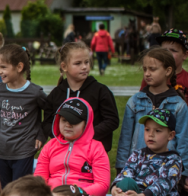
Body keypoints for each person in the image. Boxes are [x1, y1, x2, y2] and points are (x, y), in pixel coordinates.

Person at [116, 48, 188, 177]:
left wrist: (183, 173)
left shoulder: (179, 105)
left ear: (168, 71)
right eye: (145, 69)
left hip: (167, 171)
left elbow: (183, 142)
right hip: (137, 169)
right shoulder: (134, 102)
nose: (147, 73)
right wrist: (121, 166)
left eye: (152, 69)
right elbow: (125, 139)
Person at [43, 42, 119, 152]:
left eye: (86, 62)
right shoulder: (56, 94)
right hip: (62, 153)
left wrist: (86, 134)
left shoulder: (101, 91)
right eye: (78, 63)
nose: (84, 67)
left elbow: (112, 120)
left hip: (93, 153)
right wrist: (62, 137)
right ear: (64, 66)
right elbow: (47, 123)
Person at [0, 44, 49, 187]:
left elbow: (50, 112)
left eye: (3, 67)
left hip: (23, 151)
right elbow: (0, 116)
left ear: (19, 67)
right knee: (3, 191)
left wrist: (41, 135)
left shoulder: (35, 92)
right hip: (1, 150)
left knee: (20, 191)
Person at [35, 98, 110, 196]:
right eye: (64, 120)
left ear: (86, 124)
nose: (68, 125)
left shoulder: (96, 148)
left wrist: (75, 195)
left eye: (74, 121)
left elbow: (102, 185)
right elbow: (39, 179)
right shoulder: (50, 145)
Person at [139, 28, 188, 95]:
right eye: (164, 50)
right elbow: (140, 100)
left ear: (185, 55)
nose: (167, 53)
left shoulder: (186, 79)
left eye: (173, 50)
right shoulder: (151, 76)